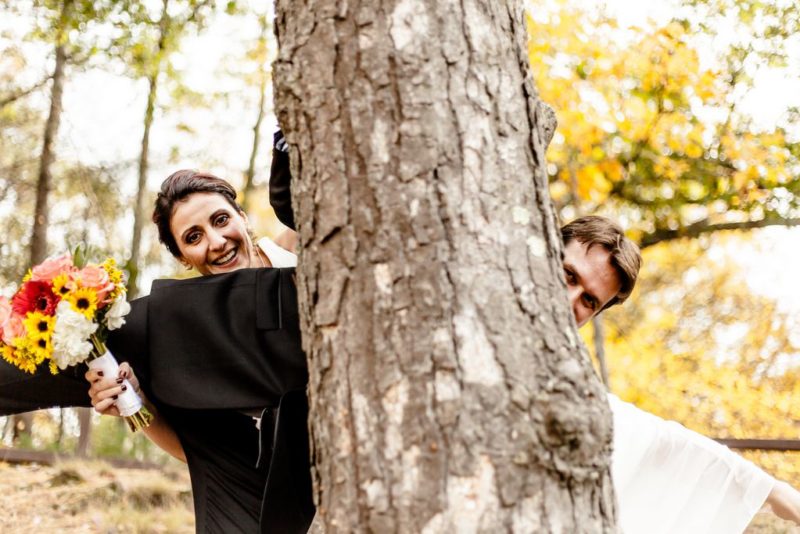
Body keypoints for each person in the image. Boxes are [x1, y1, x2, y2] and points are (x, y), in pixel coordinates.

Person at [86, 170, 313, 533]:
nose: (217, 241)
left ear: (242, 216)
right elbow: (203, 451)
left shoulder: (300, 256)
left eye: (221, 220)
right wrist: (136, 403)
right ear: (183, 258)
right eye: (194, 237)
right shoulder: (187, 335)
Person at [559, 215, 800, 533]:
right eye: (568, 275)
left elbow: (657, 437)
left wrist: (773, 491)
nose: (568, 300)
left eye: (589, 301)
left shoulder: (571, 384)